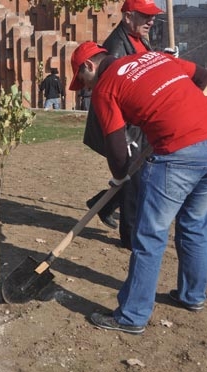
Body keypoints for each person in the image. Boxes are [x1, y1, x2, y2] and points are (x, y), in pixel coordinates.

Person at [69, 41, 207, 334]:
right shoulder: (155, 58)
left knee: (149, 235)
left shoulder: (105, 88)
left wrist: (120, 176)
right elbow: (203, 76)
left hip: (177, 153)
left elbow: (117, 148)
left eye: (81, 81)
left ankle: (131, 316)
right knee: (194, 224)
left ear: (88, 66)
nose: (85, 88)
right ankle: (192, 296)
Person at [83, 0, 164, 248]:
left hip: (140, 122)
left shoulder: (140, 38)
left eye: (152, 15)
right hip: (127, 125)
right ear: (128, 17)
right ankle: (130, 238)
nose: (151, 20)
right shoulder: (116, 47)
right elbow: (111, 96)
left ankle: (103, 203)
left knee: (137, 176)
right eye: (145, 15)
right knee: (132, 179)